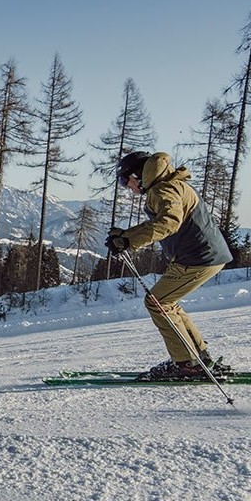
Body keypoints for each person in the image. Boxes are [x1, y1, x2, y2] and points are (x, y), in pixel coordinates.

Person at [105, 151, 232, 380]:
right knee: (166, 303)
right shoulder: (169, 184)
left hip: (197, 258)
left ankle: (188, 363)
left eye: (126, 181)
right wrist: (126, 235)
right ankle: (200, 358)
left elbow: (168, 223)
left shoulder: (164, 189)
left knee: (157, 302)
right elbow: (163, 220)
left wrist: (128, 241)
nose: (127, 187)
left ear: (137, 175)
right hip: (203, 256)